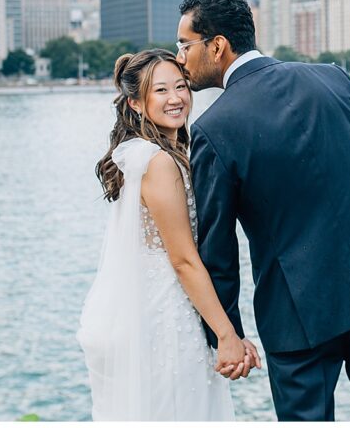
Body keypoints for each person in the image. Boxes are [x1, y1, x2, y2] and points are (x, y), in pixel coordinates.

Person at [176, 0, 350, 421]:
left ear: (217, 46)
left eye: (185, 44)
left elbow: (218, 249)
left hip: (295, 309)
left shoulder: (213, 129)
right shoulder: (333, 78)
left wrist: (226, 333)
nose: (179, 56)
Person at [77, 48, 262, 421]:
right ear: (136, 103)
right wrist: (227, 335)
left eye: (181, 86)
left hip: (158, 305)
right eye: (161, 91)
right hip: (167, 314)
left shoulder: (155, 152)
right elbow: (183, 259)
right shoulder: (158, 162)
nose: (176, 98)